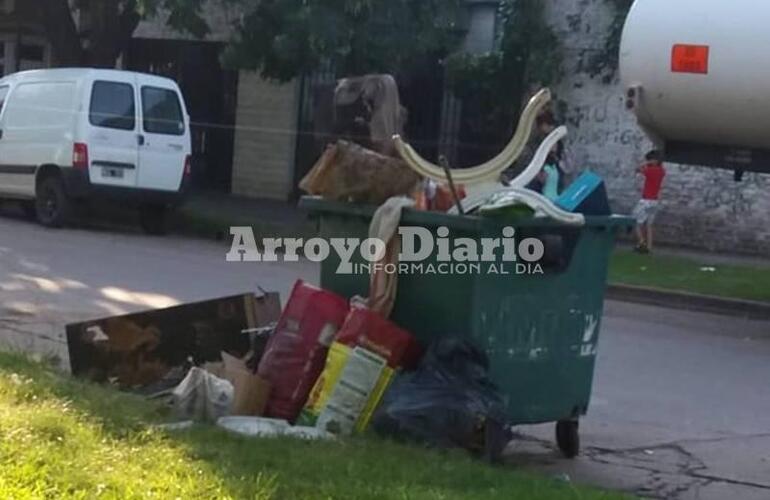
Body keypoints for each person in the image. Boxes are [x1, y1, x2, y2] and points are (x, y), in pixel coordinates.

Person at [632, 150, 666, 253]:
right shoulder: (662, 170)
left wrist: (646, 164)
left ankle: (642, 243)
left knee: (635, 222)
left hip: (646, 200)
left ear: (654, 160)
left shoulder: (650, 170)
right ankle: (649, 247)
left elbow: (637, 169)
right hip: (655, 201)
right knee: (649, 225)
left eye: (650, 159)